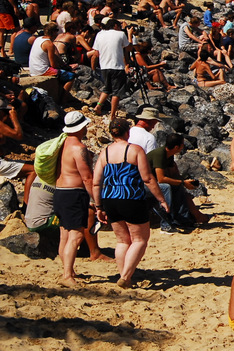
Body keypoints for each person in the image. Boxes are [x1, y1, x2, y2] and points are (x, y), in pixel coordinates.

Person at [92, 117, 170, 289]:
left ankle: (124, 275)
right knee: (140, 239)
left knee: (122, 241)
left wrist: (98, 206)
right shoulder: (134, 150)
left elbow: (96, 182)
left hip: (110, 198)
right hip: (131, 197)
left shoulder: (104, 153)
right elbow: (148, 178)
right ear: (128, 132)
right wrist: (161, 199)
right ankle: (126, 276)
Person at [53, 111, 97, 287]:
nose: (86, 128)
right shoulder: (79, 148)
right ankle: (67, 276)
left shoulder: (61, 144)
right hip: (74, 193)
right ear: (80, 128)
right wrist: (95, 200)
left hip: (60, 192)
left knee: (65, 234)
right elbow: (87, 177)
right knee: (77, 235)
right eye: (85, 126)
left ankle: (68, 271)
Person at [148, 133, 210, 232]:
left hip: (152, 183)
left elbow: (174, 174)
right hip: (143, 184)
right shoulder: (160, 154)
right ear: (177, 147)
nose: (183, 147)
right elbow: (161, 179)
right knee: (166, 187)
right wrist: (182, 182)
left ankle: (183, 220)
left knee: (178, 188)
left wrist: (185, 182)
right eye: (182, 145)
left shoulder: (169, 155)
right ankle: (166, 224)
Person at [92, 18, 133, 120]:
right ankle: (113, 115)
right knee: (116, 92)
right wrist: (129, 34)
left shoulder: (100, 35)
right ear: (115, 26)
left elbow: (96, 53)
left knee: (107, 88)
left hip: (104, 66)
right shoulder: (120, 34)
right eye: (119, 26)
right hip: (117, 66)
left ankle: (98, 106)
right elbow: (129, 48)